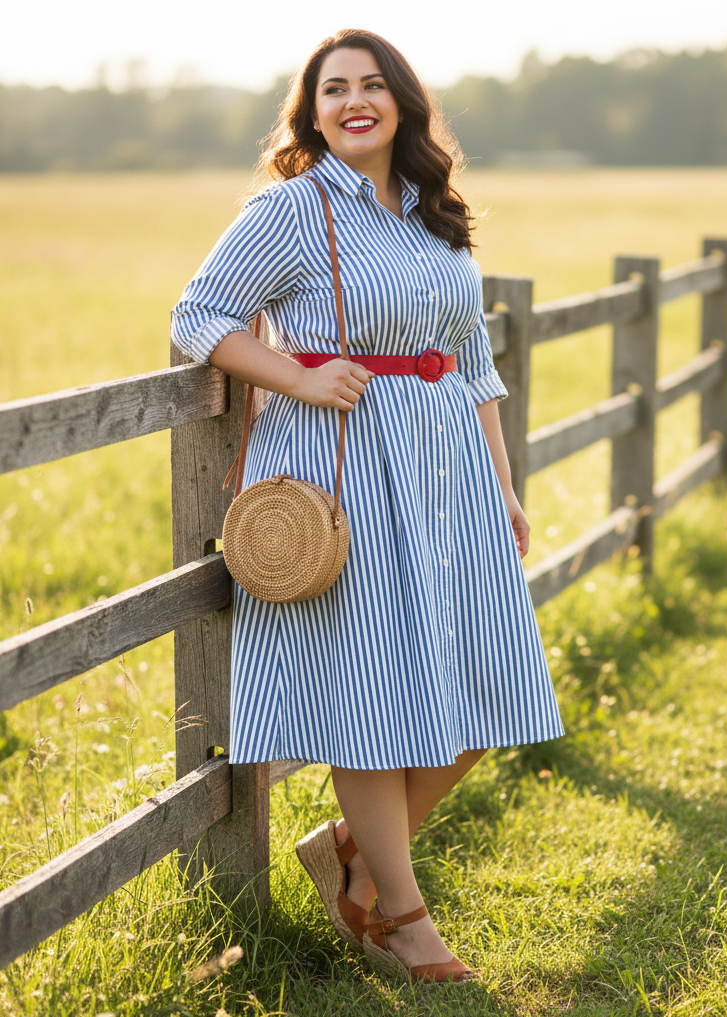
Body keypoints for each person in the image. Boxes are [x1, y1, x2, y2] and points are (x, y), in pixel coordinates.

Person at [170, 28, 564, 985]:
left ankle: (349, 849)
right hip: (348, 472)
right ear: (311, 110)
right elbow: (197, 315)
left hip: (449, 481)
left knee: (488, 679)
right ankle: (402, 915)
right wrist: (296, 377)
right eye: (333, 88)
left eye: (373, 86)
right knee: (376, 700)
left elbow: (474, 367)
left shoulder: (432, 211)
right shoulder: (292, 210)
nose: (354, 102)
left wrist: (503, 487)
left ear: (403, 104)